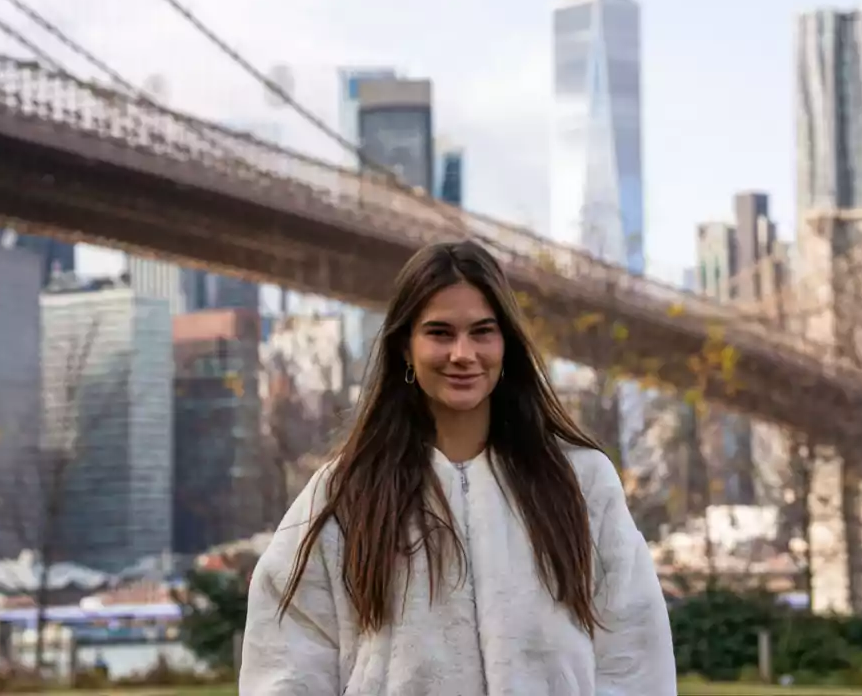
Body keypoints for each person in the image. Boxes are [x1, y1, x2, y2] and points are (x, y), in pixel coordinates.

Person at [239, 240, 675, 695]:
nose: (463, 354)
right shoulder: (343, 494)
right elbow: (287, 662)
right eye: (440, 333)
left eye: (482, 332)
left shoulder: (581, 482)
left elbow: (635, 654)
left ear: (506, 343)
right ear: (406, 348)